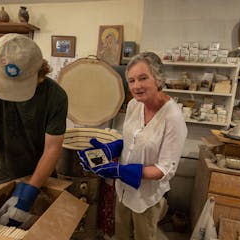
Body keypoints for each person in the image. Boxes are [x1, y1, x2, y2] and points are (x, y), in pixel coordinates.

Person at [0, 33, 68, 230]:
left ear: (40, 73)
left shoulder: (56, 97)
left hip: (40, 175)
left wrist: (29, 192)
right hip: (1, 172)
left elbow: (52, 149)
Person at [79, 52, 187, 240]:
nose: (136, 86)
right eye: (131, 80)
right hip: (123, 192)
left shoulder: (173, 118)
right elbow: (131, 139)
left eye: (143, 78)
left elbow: (164, 170)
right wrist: (109, 149)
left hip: (146, 199)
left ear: (158, 79)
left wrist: (121, 171)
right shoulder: (133, 105)